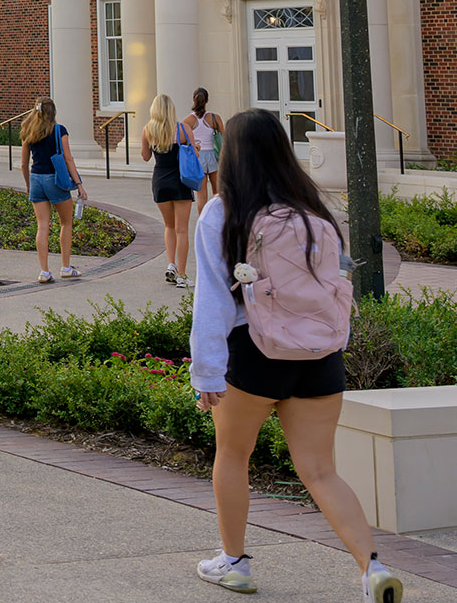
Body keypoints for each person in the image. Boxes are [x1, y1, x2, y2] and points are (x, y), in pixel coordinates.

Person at [191, 110, 401, 602]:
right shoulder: (315, 213)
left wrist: (207, 370)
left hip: (255, 354)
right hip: (318, 355)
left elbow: (214, 301)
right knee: (321, 470)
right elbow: (333, 288)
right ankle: (372, 570)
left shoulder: (223, 212)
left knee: (233, 455)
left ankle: (235, 563)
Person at [20, 96, 88, 283]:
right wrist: (79, 184)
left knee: (42, 226)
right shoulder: (59, 130)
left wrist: (28, 184)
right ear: (53, 112)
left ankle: (44, 271)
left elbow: (24, 164)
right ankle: (66, 267)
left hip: (36, 179)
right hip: (55, 180)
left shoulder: (28, 130)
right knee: (66, 223)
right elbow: (68, 159)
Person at [143, 92, 196, 287]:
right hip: (180, 181)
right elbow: (194, 155)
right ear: (171, 109)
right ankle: (182, 275)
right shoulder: (183, 129)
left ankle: (171, 264)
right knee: (182, 229)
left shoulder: (148, 130)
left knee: (169, 226)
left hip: (160, 181)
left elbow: (145, 156)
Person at [185, 87, 226, 207]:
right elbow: (225, 137)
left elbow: (182, 139)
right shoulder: (215, 118)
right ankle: (218, 220)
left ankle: (203, 223)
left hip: (198, 156)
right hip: (213, 155)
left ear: (193, 99)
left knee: (201, 195)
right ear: (207, 100)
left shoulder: (188, 120)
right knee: (217, 193)